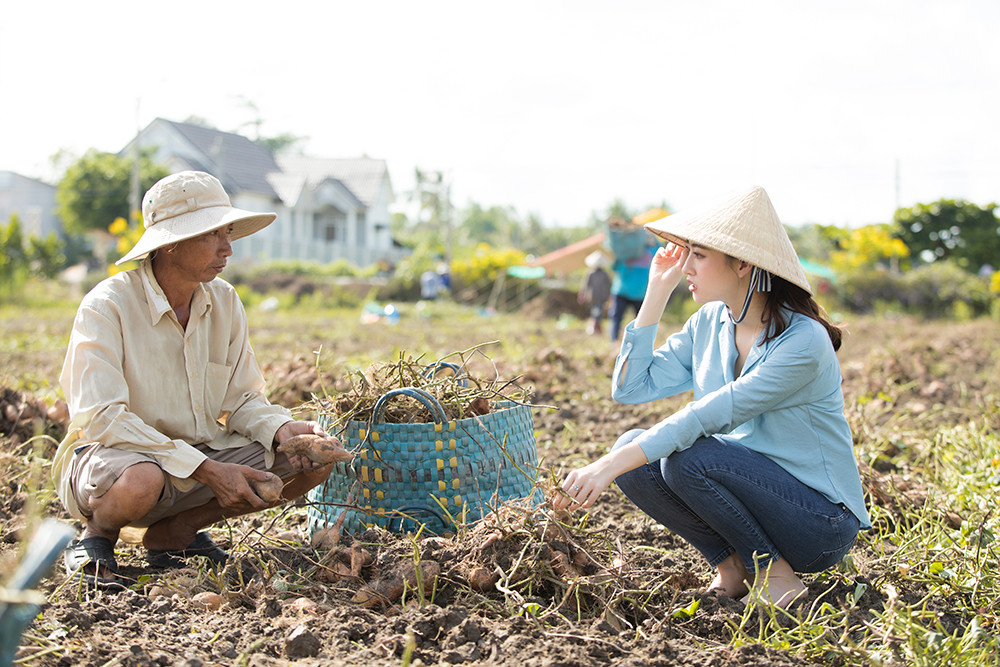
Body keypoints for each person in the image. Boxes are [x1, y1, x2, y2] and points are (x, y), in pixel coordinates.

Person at [554, 185, 871, 607]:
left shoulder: (803, 340)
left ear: (741, 263)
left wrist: (606, 467)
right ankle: (733, 568)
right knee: (632, 448)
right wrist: (656, 295)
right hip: (754, 499)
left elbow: (713, 414)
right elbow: (629, 388)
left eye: (698, 255)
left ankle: (776, 575)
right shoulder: (709, 323)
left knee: (687, 456)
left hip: (817, 522)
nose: (685, 265)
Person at [52, 170, 346, 589]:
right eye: (212, 235)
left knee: (312, 462)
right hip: (118, 464)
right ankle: (97, 536)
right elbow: (103, 419)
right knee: (143, 479)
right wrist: (207, 469)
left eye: (228, 232)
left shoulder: (224, 300)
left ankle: (178, 532)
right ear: (170, 243)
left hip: (197, 458)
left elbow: (242, 398)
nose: (227, 247)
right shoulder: (108, 305)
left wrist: (282, 431)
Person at [608, 243, 655, 342]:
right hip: (626, 291)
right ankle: (615, 341)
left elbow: (614, 267)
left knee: (639, 321)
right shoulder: (627, 250)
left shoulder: (650, 249)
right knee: (618, 318)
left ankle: (635, 343)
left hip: (637, 292)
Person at [579, 251, 612, 335]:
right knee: (597, 311)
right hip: (601, 296)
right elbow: (609, 286)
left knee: (595, 311)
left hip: (593, 296)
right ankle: (596, 327)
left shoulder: (591, 274)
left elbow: (586, 286)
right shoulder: (604, 274)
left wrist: (583, 294)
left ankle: (595, 327)